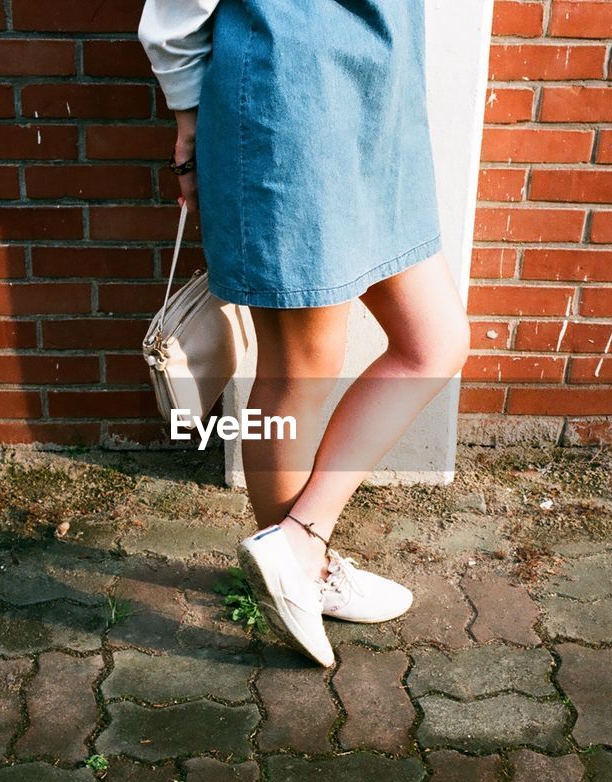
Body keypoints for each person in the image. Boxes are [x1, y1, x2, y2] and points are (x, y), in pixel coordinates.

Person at [138, 0, 470, 667]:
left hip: (378, 106)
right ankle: (298, 564)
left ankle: (295, 549)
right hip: (289, 106)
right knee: (299, 373)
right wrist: (186, 124)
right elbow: (175, 11)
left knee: (434, 342)